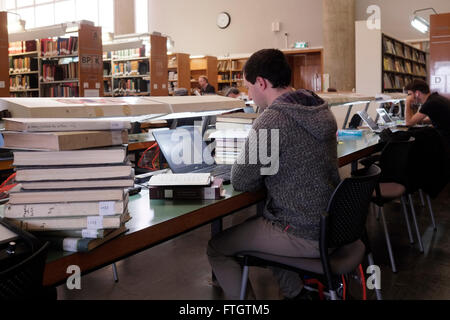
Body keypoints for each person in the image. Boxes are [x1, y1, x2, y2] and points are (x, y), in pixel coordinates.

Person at [207, 49, 340, 300]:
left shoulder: (272, 119)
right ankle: (296, 294)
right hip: (332, 223)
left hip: (301, 231)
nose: (248, 94)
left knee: (217, 248)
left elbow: (242, 180)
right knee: (260, 221)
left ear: (261, 82)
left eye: (248, 87)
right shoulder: (319, 107)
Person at [405, 79, 450, 148]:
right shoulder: (435, 98)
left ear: (417, 93)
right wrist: (422, 120)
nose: (409, 97)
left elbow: (408, 123)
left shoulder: (430, 103)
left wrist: (407, 102)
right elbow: (438, 117)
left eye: (410, 94)